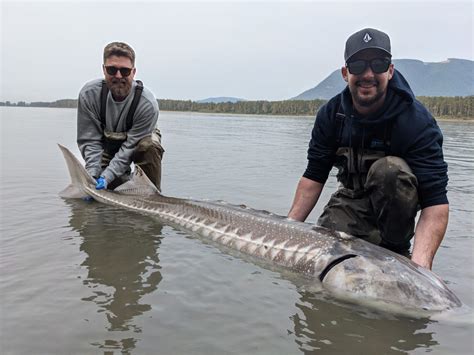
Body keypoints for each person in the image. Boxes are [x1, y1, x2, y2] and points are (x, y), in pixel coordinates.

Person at [288, 28, 449, 270]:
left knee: (390, 171)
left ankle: (395, 247)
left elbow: (435, 203)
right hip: (351, 201)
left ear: (390, 70)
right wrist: (288, 232)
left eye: (378, 64)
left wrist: (420, 271)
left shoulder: (416, 121)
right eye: (358, 65)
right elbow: (313, 177)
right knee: (320, 262)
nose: (368, 74)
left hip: (396, 209)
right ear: (345, 73)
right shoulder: (332, 115)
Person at [77, 41, 163, 191]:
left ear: (133, 72)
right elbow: (90, 141)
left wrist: (107, 176)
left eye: (124, 71)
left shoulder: (147, 104)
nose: (118, 76)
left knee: (149, 147)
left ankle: (151, 199)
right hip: (107, 140)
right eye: (112, 70)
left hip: (139, 141)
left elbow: (130, 147)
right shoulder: (89, 95)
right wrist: (94, 177)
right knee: (109, 188)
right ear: (103, 70)